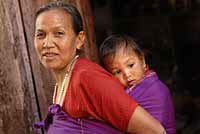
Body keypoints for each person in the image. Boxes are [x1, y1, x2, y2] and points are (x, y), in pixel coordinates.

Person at [33, 2, 166, 134]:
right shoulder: (63, 82)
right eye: (41, 35)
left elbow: (155, 131)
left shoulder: (88, 79)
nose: (47, 43)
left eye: (59, 33)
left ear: (79, 39)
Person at [99, 34, 176, 134]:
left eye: (130, 65)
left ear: (142, 61)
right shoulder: (130, 89)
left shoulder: (153, 87)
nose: (127, 74)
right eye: (117, 72)